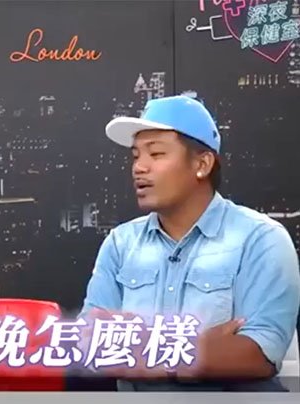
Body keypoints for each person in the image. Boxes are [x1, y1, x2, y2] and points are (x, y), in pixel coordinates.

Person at [79, 94, 300, 391]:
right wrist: (196, 352)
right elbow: (90, 343)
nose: (139, 167)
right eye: (136, 156)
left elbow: (259, 353)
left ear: (202, 164)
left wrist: (141, 346)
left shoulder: (260, 239)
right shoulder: (121, 243)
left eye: (156, 154)